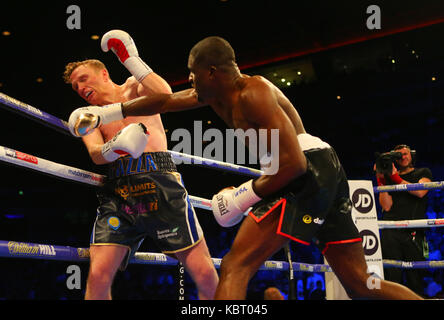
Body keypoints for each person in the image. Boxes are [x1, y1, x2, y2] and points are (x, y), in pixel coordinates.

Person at [68, 36, 424, 300]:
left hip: (305, 170)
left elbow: (294, 164)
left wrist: (242, 196)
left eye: (193, 75)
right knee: (361, 284)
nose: (190, 83)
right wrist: (106, 114)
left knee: (236, 266)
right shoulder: (214, 91)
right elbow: (167, 99)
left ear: (211, 71)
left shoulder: (253, 93)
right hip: (316, 167)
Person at [63, 30, 218, 300]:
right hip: (118, 193)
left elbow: (164, 94)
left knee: (203, 273)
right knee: (98, 276)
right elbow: (97, 154)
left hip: (160, 181)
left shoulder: (133, 87)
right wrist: (117, 146)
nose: (80, 88)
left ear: (103, 74)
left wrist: (130, 58)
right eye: (75, 87)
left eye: (83, 79)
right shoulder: (87, 117)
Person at [375, 144, 432, 297]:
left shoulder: (423, 172)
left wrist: (397, 179)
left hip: (414, 231)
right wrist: (382, 181)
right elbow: (386, 207)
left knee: (416, 279)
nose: (403, 157)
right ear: (395, 159)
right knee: (393, 277)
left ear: (411, 155)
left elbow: (420, 191)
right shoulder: (390, 179)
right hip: (391, 231)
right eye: (399, 155)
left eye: (406, 154)